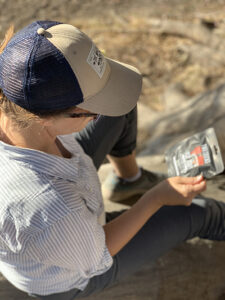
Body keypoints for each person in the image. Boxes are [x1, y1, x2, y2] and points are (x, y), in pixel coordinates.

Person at [0, 20, 224, 300]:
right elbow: (99, 251)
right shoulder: (48, 206)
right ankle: (143, 192)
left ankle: (129, 182)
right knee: (201, 213)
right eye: (92, 111)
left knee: (119, 111)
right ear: (46, 118)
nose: (97, 116)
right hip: (74, 271)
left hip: (63, 186)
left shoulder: (16, 101)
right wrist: (155, 199)